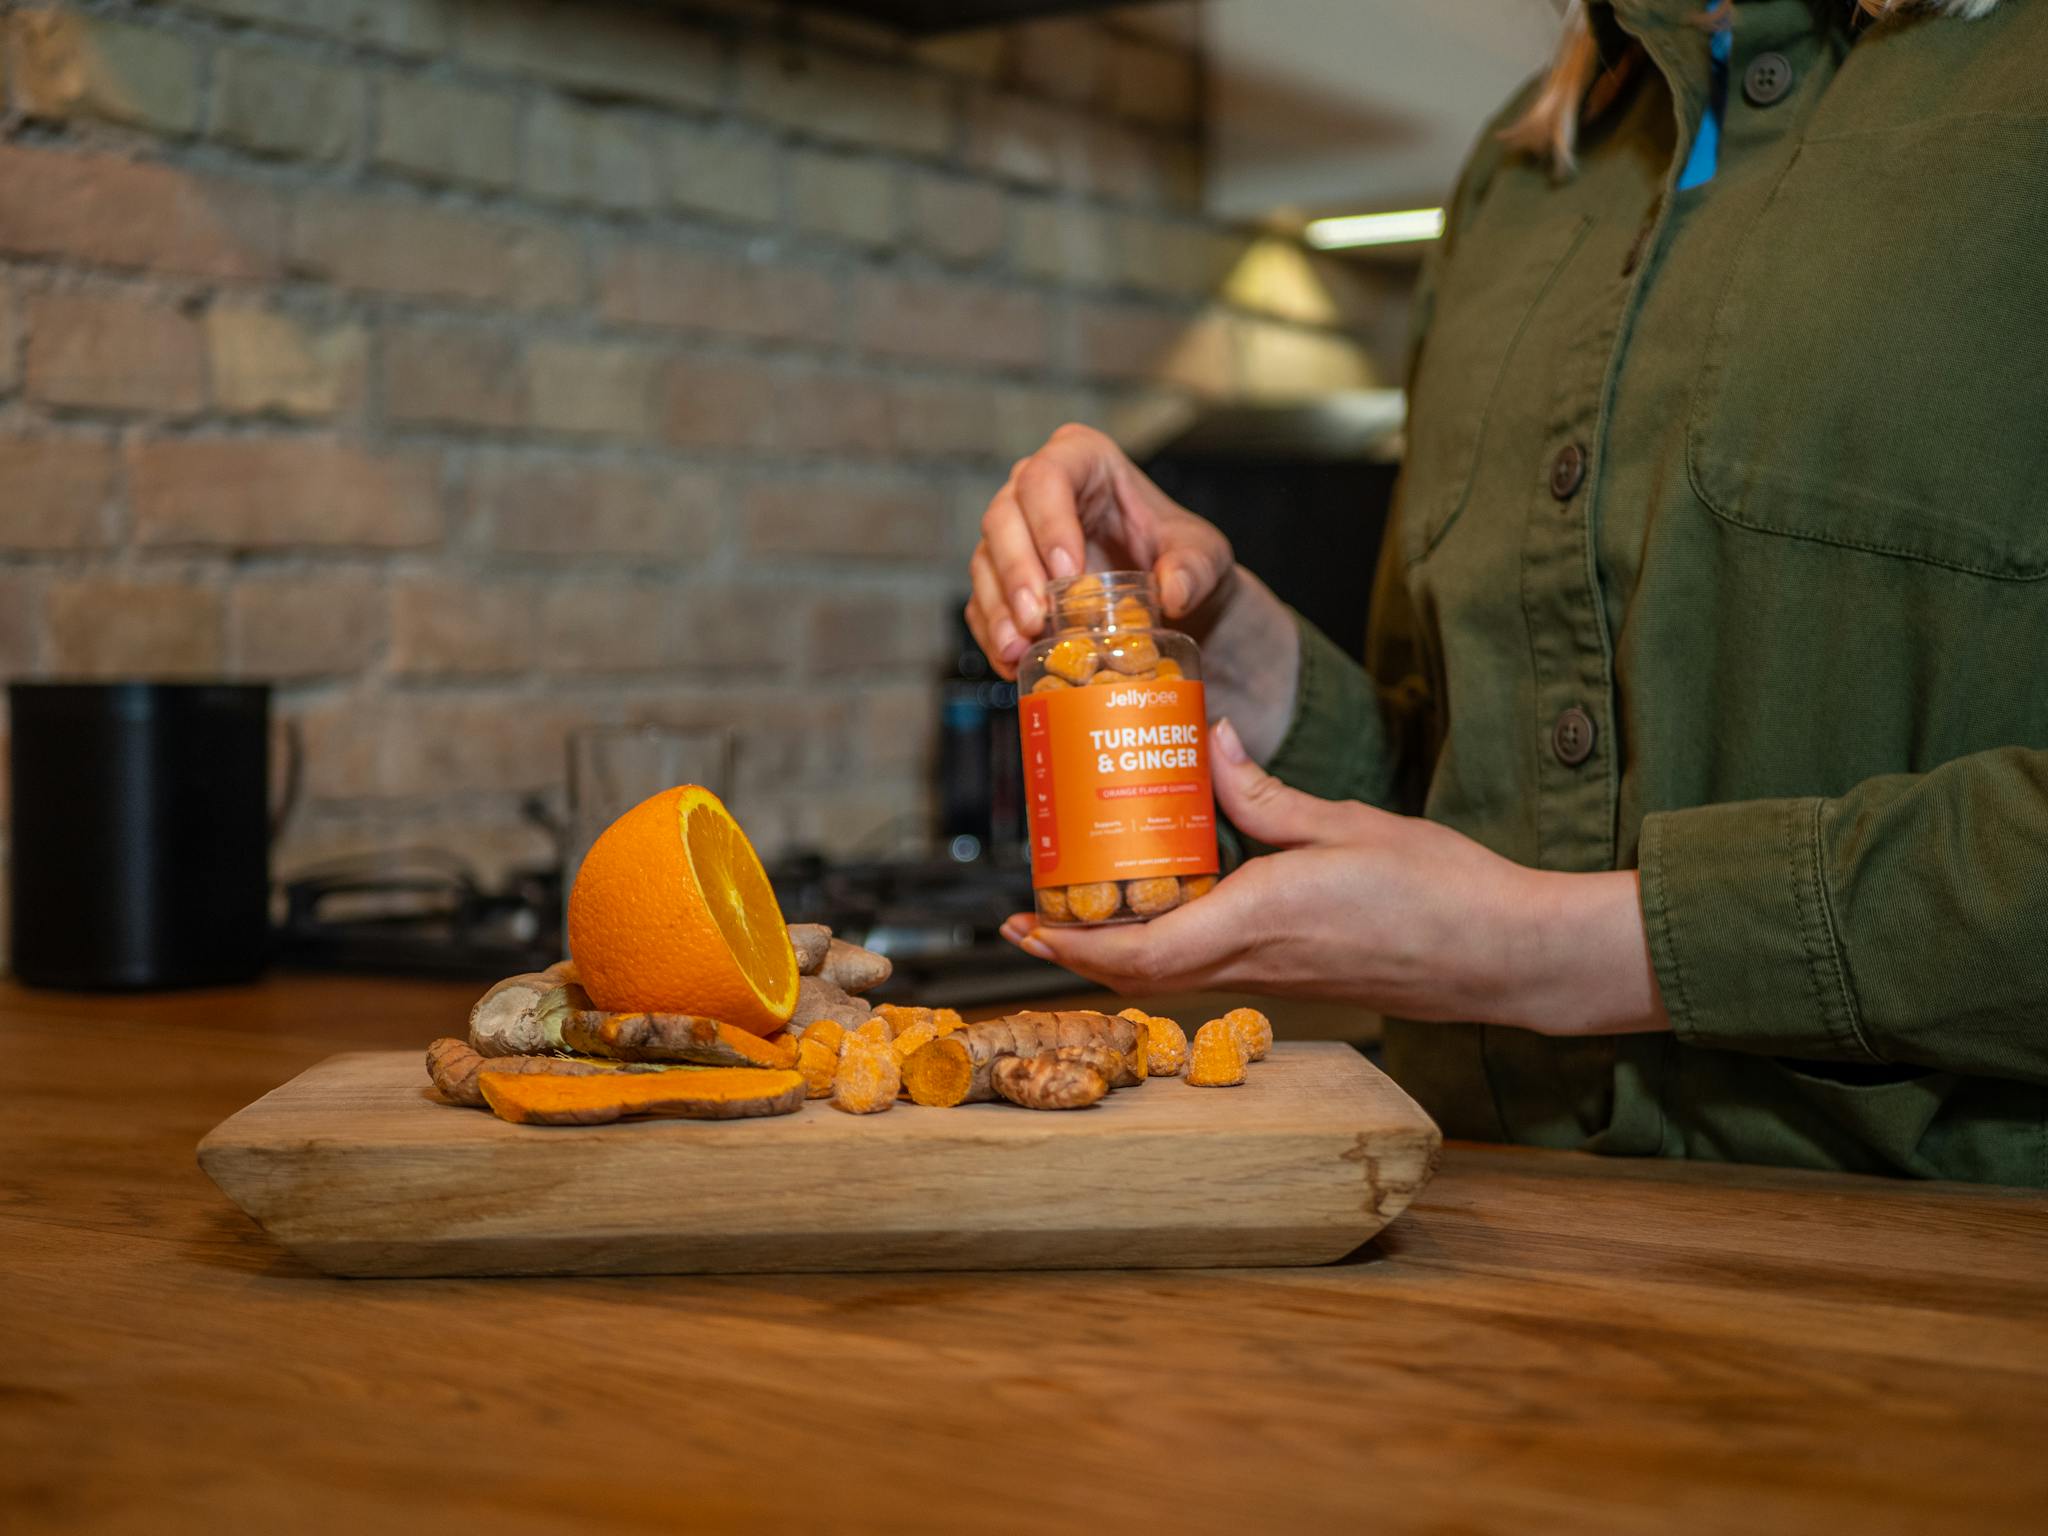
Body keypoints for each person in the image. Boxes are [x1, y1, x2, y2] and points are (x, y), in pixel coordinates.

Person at [966, 0, 2048, 1186]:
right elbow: (1467, 797)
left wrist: (1554, 950)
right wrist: (1232, 661)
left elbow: (1506, 917)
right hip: (1460, 1216)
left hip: (1937, 1269)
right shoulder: (1522, 170)